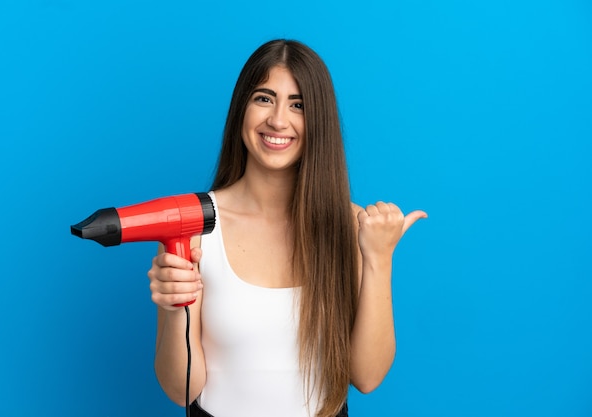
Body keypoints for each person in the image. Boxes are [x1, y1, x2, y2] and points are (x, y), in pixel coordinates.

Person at [147, 39, 427, 417]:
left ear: (318, 121)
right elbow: (181, 389)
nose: (278, 120)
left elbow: (367, 377)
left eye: (299, 105)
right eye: (264, 98)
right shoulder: (194, 226)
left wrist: (378, 258)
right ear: (241, 109)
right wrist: (173, 306)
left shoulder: (351, 224)